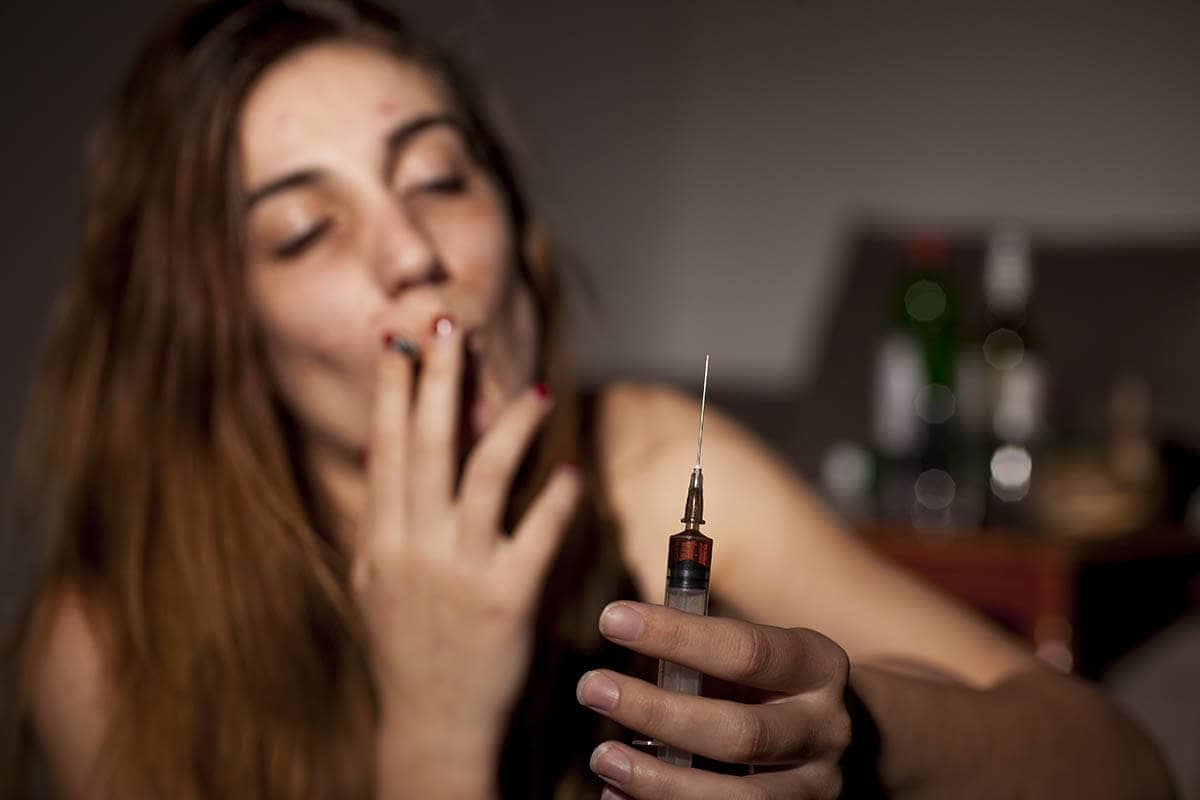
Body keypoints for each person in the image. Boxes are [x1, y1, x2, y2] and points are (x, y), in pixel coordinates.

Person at [1, 1, 1175, 798]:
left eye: (439, 178)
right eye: (307, 229)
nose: (410, 248)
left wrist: (854, 722)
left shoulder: (642, 459)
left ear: (519, 235)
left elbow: (1126, 767)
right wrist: (432, 730)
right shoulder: (107, 639)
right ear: (216, 330)